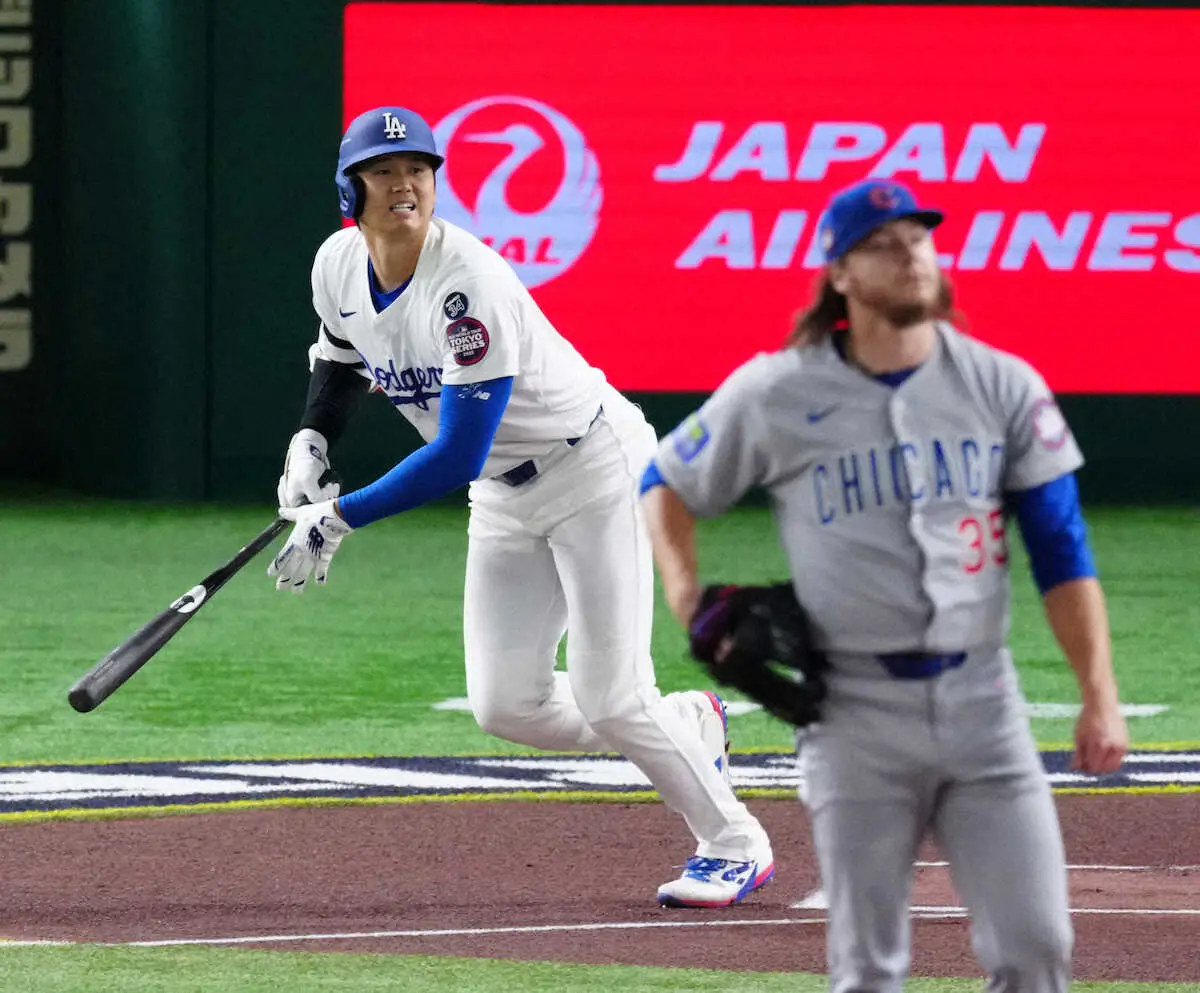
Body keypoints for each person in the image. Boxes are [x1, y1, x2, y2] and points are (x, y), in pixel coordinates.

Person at [266, 105, 774, 908]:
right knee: (507, 704)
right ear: (350, 188)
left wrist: (340, 515)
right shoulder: (337, 264)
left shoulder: (467, 285)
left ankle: (734, 842)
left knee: (610, 691)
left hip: (594, 469)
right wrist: (312, 441)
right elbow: (339, 359)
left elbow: (458, 451)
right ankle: (687, 725)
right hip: (505, 492)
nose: (405, 184)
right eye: (385, 171)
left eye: (418, 170)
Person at [640, 179, 1129, 988]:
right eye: (883, 243)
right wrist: (686, 594)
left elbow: (1061, 547)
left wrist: (1098, 691)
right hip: (852, 716)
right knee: (868, 967)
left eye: (918, 238)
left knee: (1037, 946)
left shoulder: (1002, 384)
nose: (909, 254)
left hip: (985, 709)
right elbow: (664, 479)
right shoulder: (778, 390)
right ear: (839, 273)